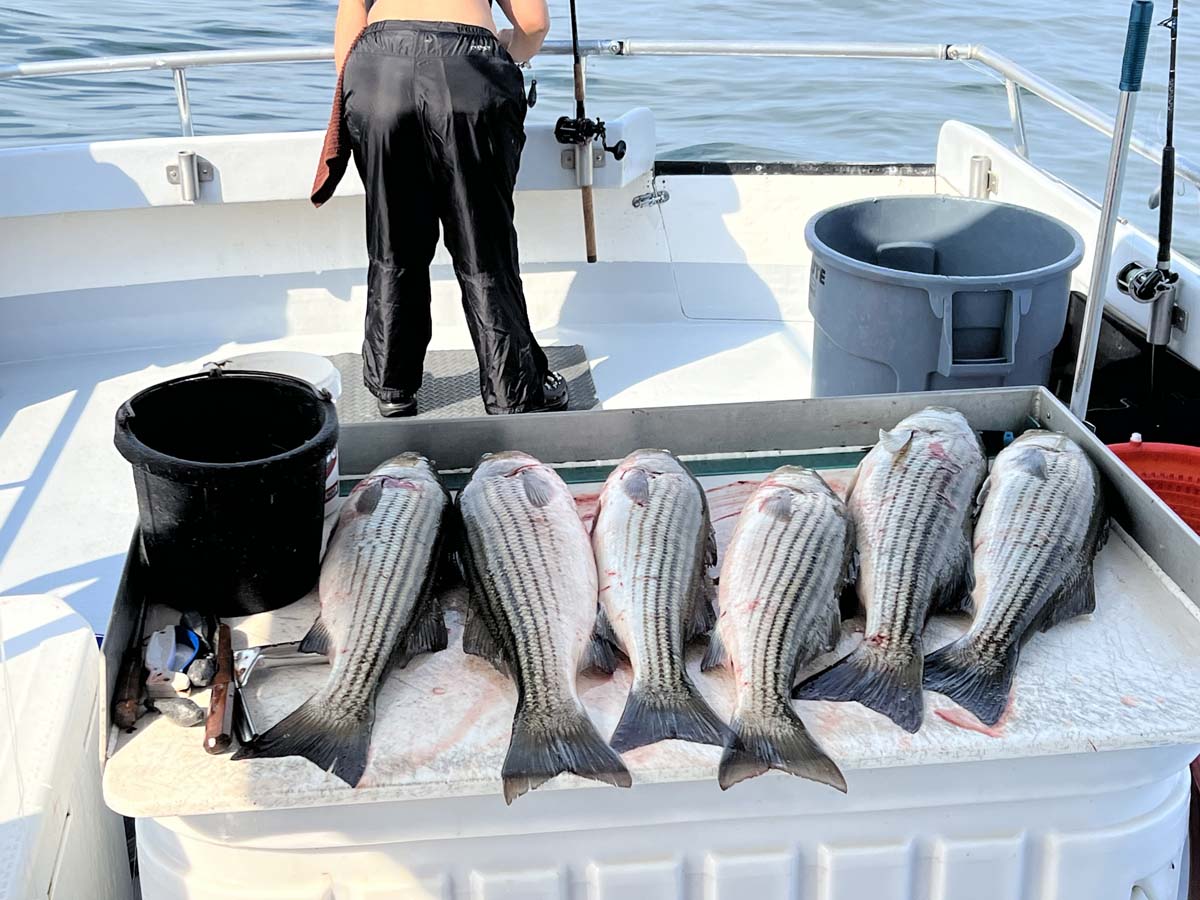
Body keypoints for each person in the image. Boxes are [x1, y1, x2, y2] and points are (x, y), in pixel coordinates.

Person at [312, 0, 569, 417]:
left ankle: (392, 385)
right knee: (483, 246)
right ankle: (513, 388)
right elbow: (534, 24)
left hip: (377, 70)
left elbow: (349, 36)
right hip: (467, 70)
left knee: (394, 243)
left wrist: (363, 94)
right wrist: (509, 48)